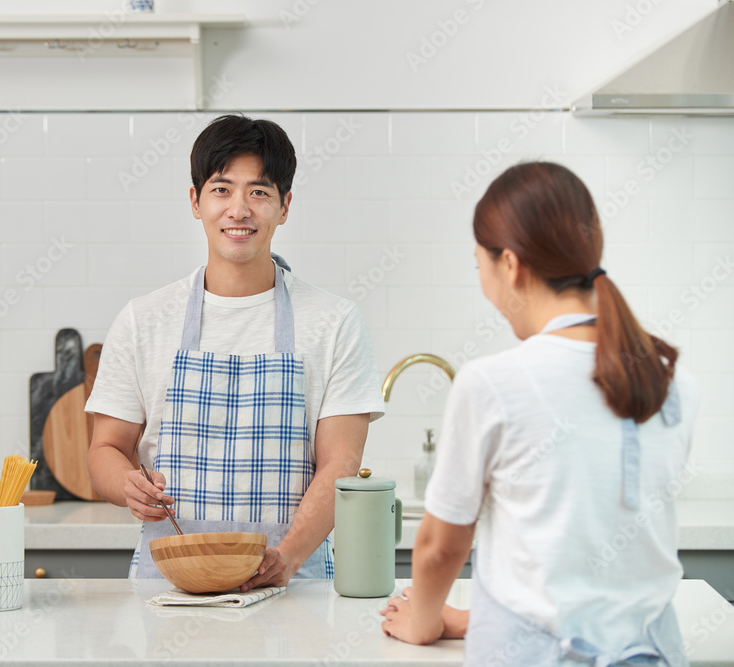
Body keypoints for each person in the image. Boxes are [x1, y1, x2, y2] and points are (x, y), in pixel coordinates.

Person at [381, 162, 698, 665]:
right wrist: (473, 618)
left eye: (478, 265)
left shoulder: (491, 383)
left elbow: (441, 547)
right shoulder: (670, 378)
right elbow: (589, 545)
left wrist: (423, 621)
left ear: (510, 264)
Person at [86, 114, 385, 590]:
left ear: (285, 206)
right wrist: (126, 485)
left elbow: (340, 465)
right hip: (170, 588)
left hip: (292, 585)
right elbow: (105, 449)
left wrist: (285, 558)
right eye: (221, 189)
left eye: (260, 192)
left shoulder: (335, 322)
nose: (239, 209)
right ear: (195, 201)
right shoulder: (143, 320)